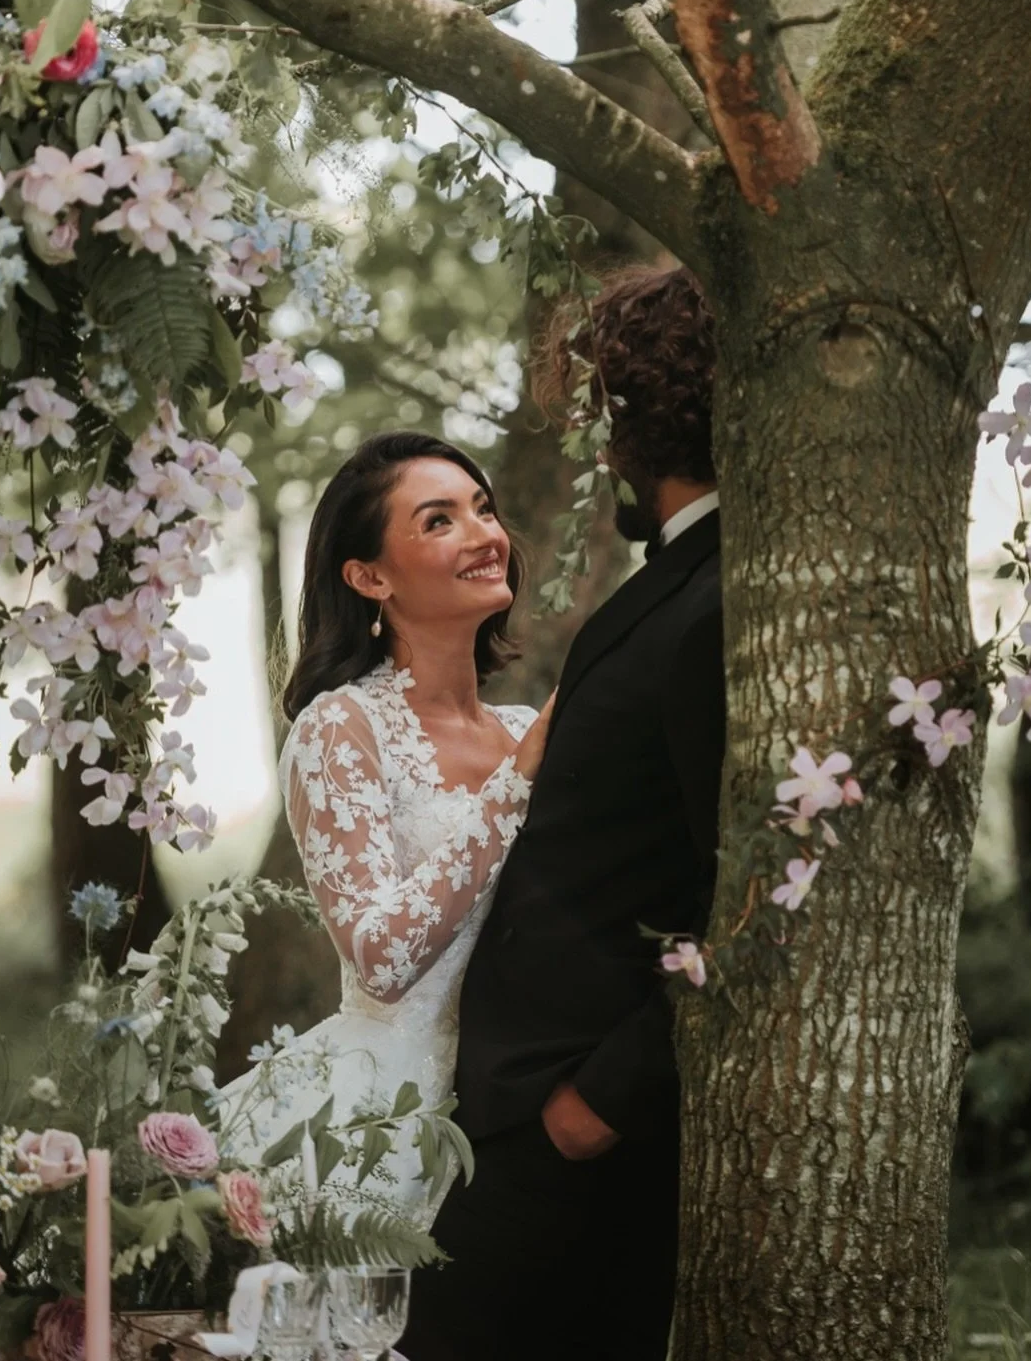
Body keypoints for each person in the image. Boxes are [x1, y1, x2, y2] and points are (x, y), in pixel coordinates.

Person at [401, 264, 724, 1360]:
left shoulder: (710, 605)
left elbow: (741, 885)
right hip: (513, 1110)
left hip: (578, 1125)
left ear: (634, 420)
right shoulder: (672, 587)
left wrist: (604, 1096)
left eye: (597, 417)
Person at [216, 431, 551, 1226]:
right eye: (439, 520)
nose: (483, 534)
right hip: (379, 1123)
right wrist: (517, 780)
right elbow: (380, 957)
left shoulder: (520, 728)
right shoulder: (341, 727)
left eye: (482, 509)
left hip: (522, 1107)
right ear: (370, 577)